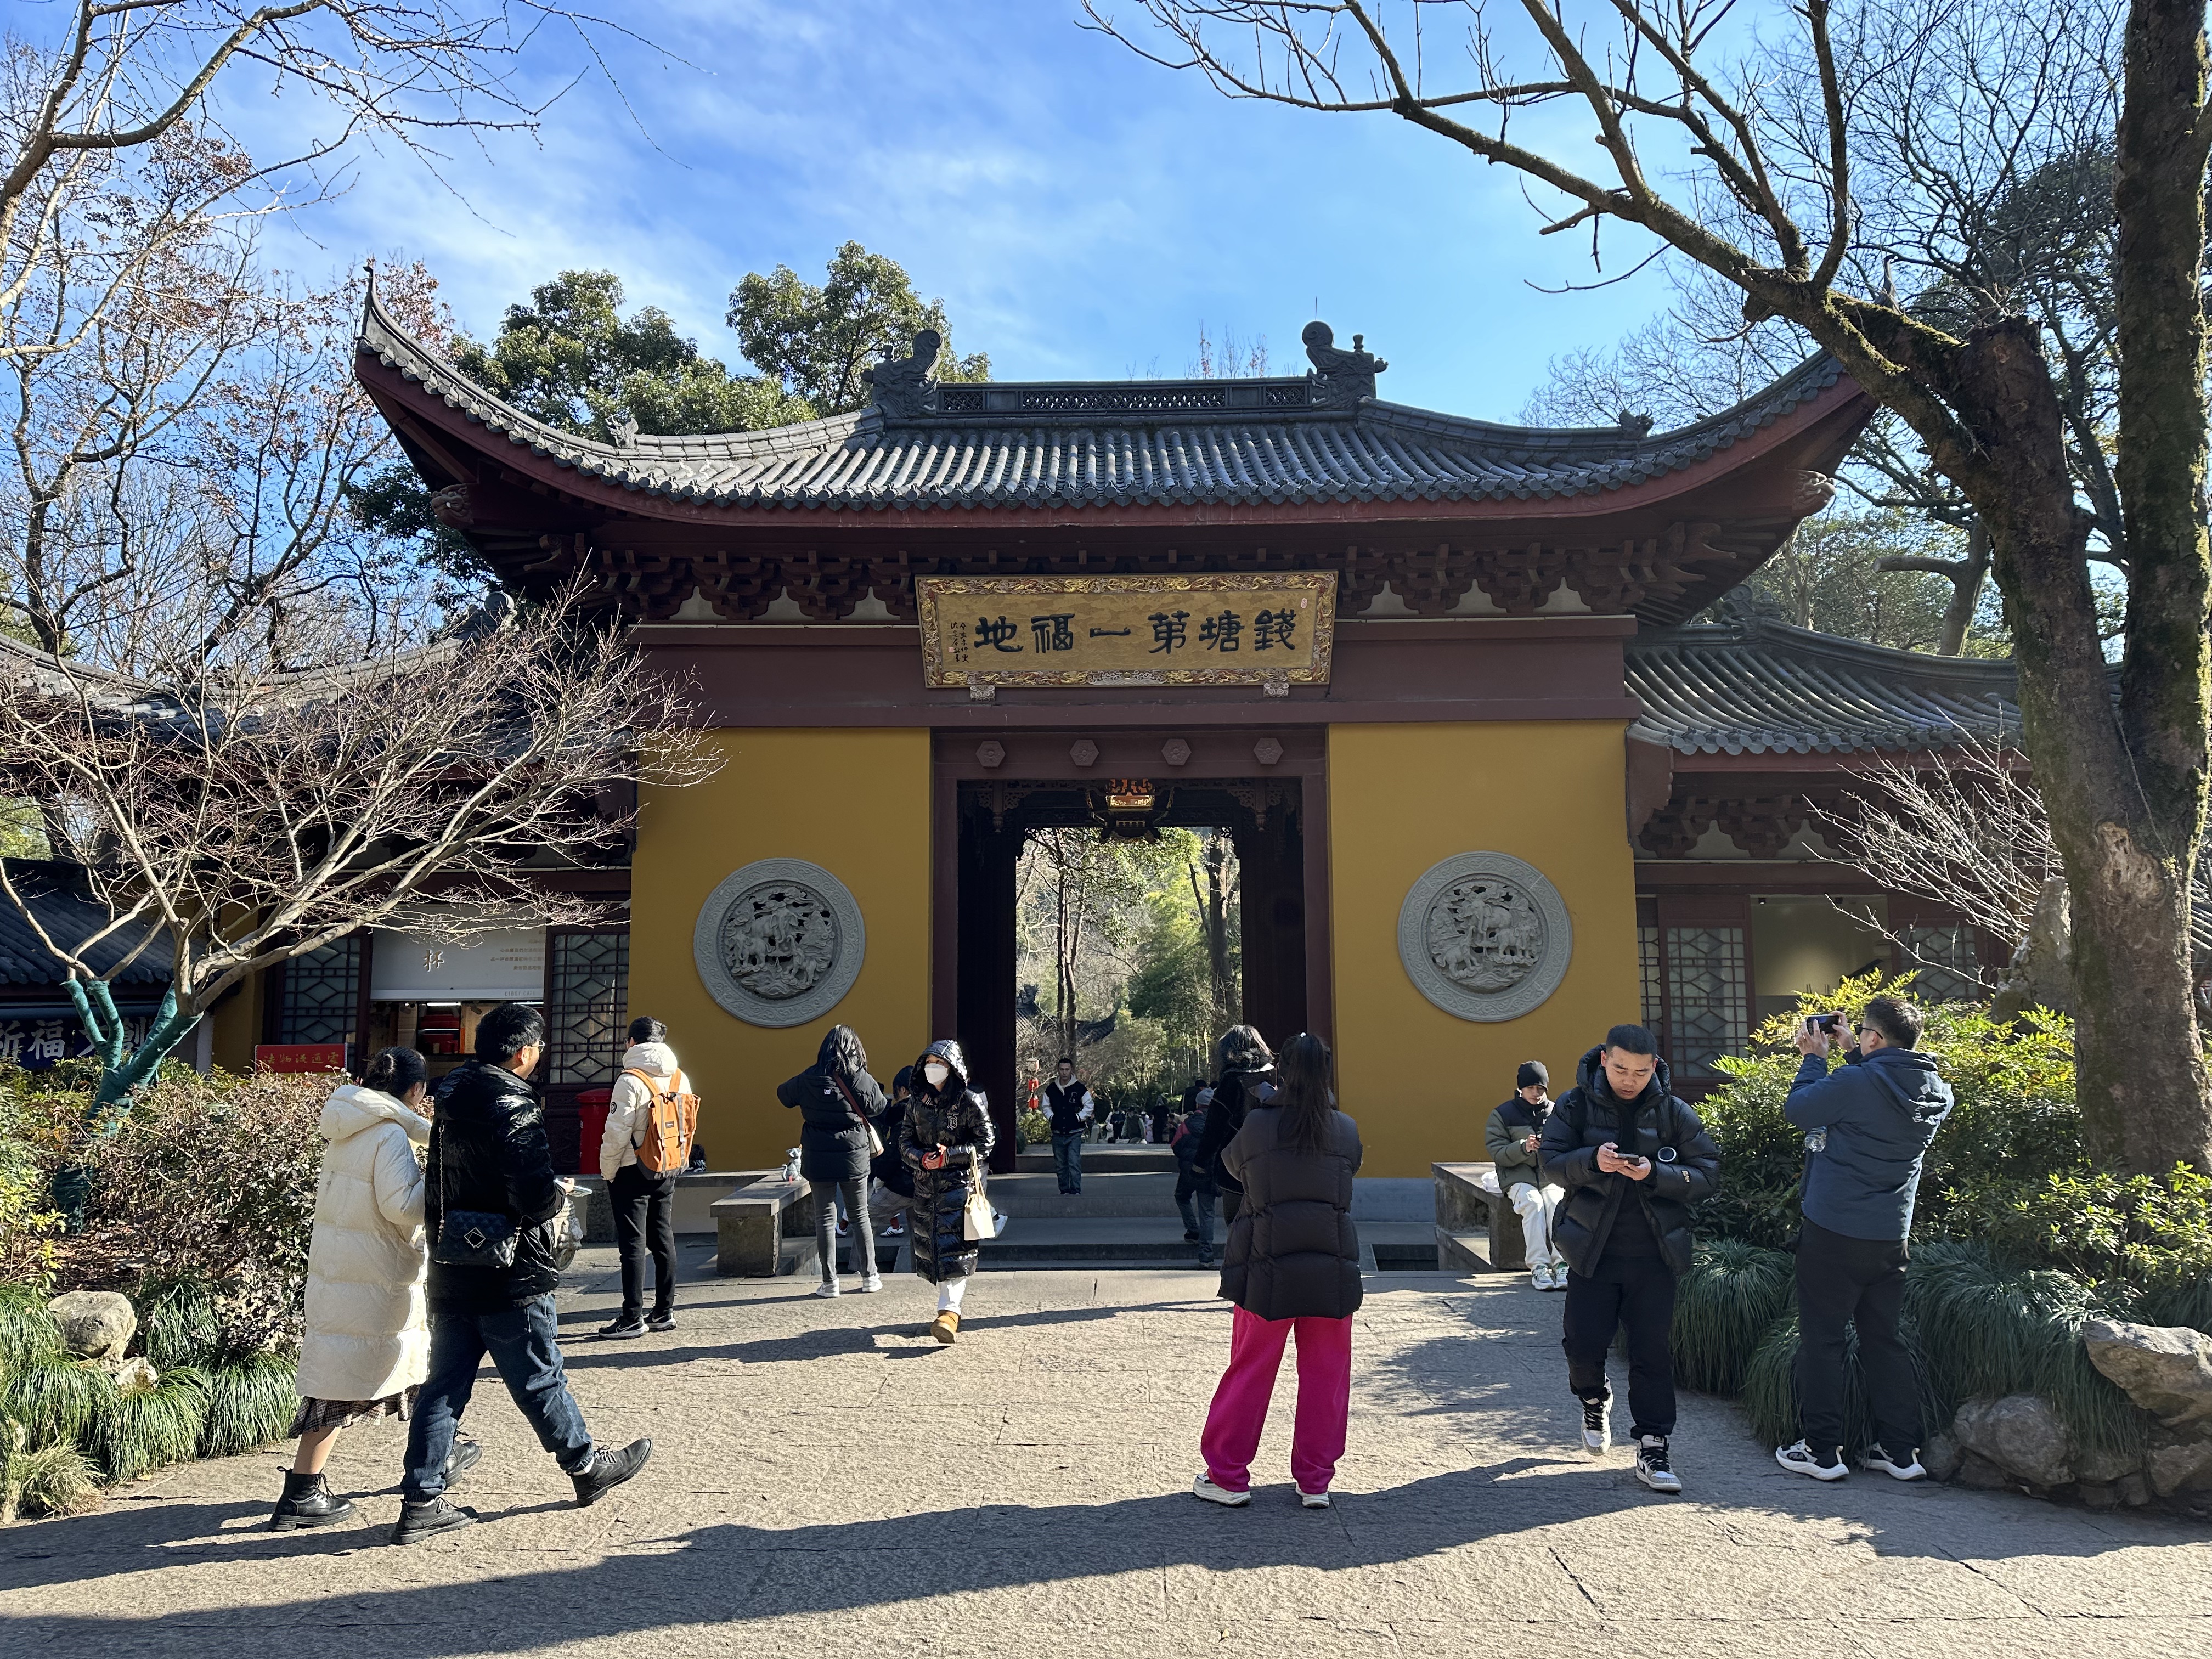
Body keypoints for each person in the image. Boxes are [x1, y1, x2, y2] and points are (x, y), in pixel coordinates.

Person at [394, 1002, 652, 1545]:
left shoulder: (453, 1092)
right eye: (538, 1048)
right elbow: (533, 1197)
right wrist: (556, 1197)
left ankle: (421, 1499)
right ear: (523, 1051)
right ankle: (585, 1466)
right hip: (509, 1264)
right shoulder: (512, 1102)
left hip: (453, 1257)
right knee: (538, 1373)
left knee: (445, 1385)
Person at [276, 1046, 479, 1527]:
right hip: (375, 1273)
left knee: (373, 1372)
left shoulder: (350, 1126)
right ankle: (302, 1493)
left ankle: (436, 1456)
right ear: (417, 1091)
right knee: (363, 1377)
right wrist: (439, 1177)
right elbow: (404, 1208)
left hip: (345, 1267)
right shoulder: (389, 1135)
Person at [1774, 995, 1954, 1483]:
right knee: (1884, 1342)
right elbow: (1883, 1092)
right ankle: (1900, 1453)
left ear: (1875, 1037)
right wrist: (1856, 1050)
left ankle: (1823, 1452)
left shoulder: (1853, 1082)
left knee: (1823, 1340)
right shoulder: (1938, 1091)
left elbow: (1801, 1111)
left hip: (1833, 1230)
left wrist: (1815, 1059)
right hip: (1890, 1235)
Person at [1539, 1024, 1720, 1496]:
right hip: (1592, 1253)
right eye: (1621, 1068)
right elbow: (1552, 1162)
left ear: (1654, 1068)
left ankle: (1654, 1448)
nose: (1630, 1079)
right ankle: (1594, 1398)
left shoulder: (1674, 1111)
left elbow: (1707, 1173)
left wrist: (1657, 1173)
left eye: (1641, 1072)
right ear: (1604, 1059)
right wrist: (1592, 1162)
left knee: (1652, 1353)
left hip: (1654, 1256)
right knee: (1582, 1348)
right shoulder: (1574, 1105)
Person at [1191, 1032, 1362, 1510]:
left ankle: (1228, 1476)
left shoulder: (1258, 1127)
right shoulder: (1346, 1129)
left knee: (1250, 1369)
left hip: (1265, 1264)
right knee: (1327, 1375)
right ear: (1327, 1074)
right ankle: (1315, 1481)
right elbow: (1350, 1168)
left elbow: (1229, 1171)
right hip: (1332, 1265)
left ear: (1280, 1070)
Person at [778, 1024, 888, 1298]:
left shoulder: (809, 1077)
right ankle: (870, 1277)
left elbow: (783, 1094)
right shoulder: (858, 1077)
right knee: (859, 1215)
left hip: (818, 1155)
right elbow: (878, 1106)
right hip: (853, 1155)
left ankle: (830, 1283)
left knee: (824, 1218)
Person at [900, 1038, 996, 1343]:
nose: (933, 1069)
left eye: (939, 1064)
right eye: (929, 1064)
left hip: (961, 1186)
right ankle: (948, 1310)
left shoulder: (969, 1100)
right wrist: (921, 1158)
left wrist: (949, 1156)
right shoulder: (916, 1103)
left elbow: (986, 1142)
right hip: (927, 1188)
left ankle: (949, 1313)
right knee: (934, 1249)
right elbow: (904, 1142)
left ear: (952, 1068)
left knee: (957, 1249)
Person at [597, 1016, 685, 1338]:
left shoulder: (630, 1079)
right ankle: (664, 1312)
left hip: (631, 1168)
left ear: (632, 1043)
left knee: (632, 1244)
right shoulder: (679, 1077)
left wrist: (607, 1170)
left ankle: (632, 1317)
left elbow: (616, 1131)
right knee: (662, 1237)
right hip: (666, 1165)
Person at [1485, 1060, 1567, 1291]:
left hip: (1549, 1175)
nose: (1536, 1093)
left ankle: (1563, 1265)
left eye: (1541, 1088)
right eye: (1531, 1088)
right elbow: (1497, 1151)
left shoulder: (1557, 1113)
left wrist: (1550, 1145)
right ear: (1521, 1088)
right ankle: (1539, 1267)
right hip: (1516, 1176)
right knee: (1533, 1204)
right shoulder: (1502, 1114)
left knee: (1556, 1204)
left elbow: (1569, 1144)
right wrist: (1523, 1147)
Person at [1193, 1026, 1275, 1228]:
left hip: (1236, 1170)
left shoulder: (1230, 1082)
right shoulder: (1277, 1077)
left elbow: (1213, 1130)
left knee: (1238, 1229)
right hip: (1275, 1166)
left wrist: (1199, 1166)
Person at [867, 1064, 916, 1248]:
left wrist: (880, 1177)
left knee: (865, 1216)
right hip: (928, 1182)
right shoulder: (931, 1109)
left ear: (903, 1090)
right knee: (918, 1228)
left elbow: (895, 1153)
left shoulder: (903, 1114)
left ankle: (863, 1268)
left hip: (904, 1183)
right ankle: (920, 1269)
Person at [1172, 1099, 1219, 1268]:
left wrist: (1187, 1158)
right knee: (1207, 1213)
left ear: (1198, 1105)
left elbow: (1175, 1145)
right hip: (1209, 1172)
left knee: (1182, 1197)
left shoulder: (1187, 1124)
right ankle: (1206, 1256)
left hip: (1189, 1172)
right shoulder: (1218, 1123)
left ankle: (1193, 1230)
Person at [1043, 1056, 1094, 1194]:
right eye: (1062, 1070)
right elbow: (1046, 1106)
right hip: (1057, 1132)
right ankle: (1064, 1189)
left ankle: (1076, 1189)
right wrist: (1052, 1118)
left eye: (1067, 1069)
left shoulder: (1079, 1088)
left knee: (1073, 1162)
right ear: (1058, 1070)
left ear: (1071, 1070)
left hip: (1075, 1132)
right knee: (1060, 1165)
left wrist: (1079, 1118)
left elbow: (1089, 1105)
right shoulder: (1051, 1089)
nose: (1064, 1072)